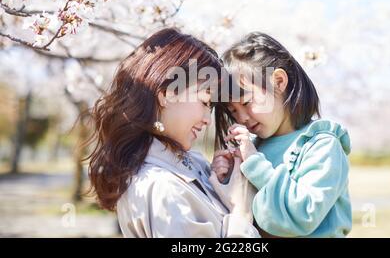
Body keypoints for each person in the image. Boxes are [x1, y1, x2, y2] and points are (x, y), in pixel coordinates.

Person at [85, 28, 259, 238]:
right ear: (167, 94)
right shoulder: (164, 189)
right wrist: (241, 212)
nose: (207, 119)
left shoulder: (187, 165)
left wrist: (218, 185)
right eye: (204, 101)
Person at [211, 32, 352, 237]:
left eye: (246, 102)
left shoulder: (321, 146)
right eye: (232, 111)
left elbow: (302, 216)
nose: (242, 118)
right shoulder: (254, 148)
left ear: (278, 81)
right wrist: (226, 178)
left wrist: (254, 164)